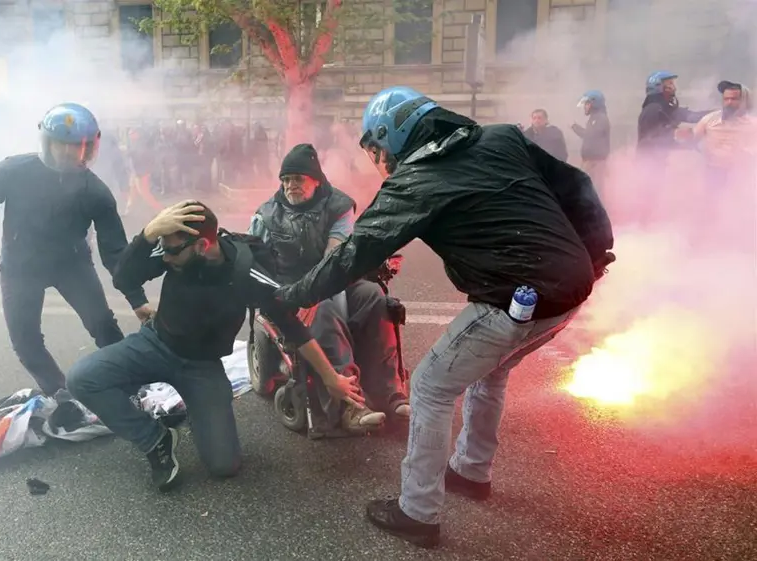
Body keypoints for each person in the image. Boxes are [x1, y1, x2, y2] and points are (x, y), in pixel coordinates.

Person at [275, 86, 615, 548]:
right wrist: (596, 251)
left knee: (431, 385)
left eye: (374, 148)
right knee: (488, 372)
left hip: (512, 301)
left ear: (390, 137)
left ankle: (417, 512)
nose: (376, 159)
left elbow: (354, 252)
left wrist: (293, 294)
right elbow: (577, 186)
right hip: (572, 291)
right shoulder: (501, 138)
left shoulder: (417, 178)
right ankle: (472, 471)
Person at [66, 201, 364, 492]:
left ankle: (201, 414)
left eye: (170, 250)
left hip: (201, 366)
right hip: (155, 344)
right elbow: (123, 278)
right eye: (163, 247)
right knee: (82, 378)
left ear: (202, 246)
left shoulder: (246, 273)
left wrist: (330, 377)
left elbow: (291, 326)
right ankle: (155, 439)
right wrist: (148, 234)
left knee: (225, 466)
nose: (165, 257)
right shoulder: (175, 249)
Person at [0, 103, 150, 398]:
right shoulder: (14, 170)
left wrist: (137, 300)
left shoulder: (95, 191)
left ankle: (131, 384)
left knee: (103, 325)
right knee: (25, 340)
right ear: (48, 143)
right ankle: (59, 394)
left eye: (78, 147)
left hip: (71, 264)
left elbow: (115, 252)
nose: (70, 153)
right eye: (63, 145)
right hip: (20, 265)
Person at [249, 143, 409, 435]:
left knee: (375, 298)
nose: (290, 185)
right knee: (326, 308)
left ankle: (390, 394)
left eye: (297, 178)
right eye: (285, 179)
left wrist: (316, 291)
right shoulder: (267, 214)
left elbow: (334, 258)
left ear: (316, 179)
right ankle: (349, 405)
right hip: (291, 286)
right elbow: (253, 259)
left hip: (331, 275)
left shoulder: (339, 206)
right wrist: (301, 295)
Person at [571, 90, 611, 193]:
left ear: (594, 103)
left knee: (594, 189)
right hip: (592, 160)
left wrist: (575, 127)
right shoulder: (595, 118)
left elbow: (591, 136)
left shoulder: (600, 118)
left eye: (587, 104)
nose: (585, 106)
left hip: (595, 161)